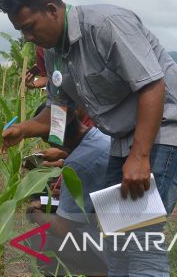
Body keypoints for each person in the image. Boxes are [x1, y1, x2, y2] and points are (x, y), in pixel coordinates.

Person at [0, 0, 177, 276]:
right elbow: (59, 109)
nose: (29, 37)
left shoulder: (105, 25)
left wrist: (140, 157)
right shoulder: (53, 54)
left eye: (30, 27)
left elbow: (153, 86)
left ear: (51, 9)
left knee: (140, 240)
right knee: (115, 241)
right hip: (124, 136)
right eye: (23, 31)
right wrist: (23, 129)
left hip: (171, 128)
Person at [23, 106, 110, 276]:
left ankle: (100, 270)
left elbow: (64, 228)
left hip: (110, 250)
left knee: (35, 242)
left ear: (52, 137)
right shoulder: (103, 136)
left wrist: (35, 214)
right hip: (133, 238)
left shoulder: (78, 164)